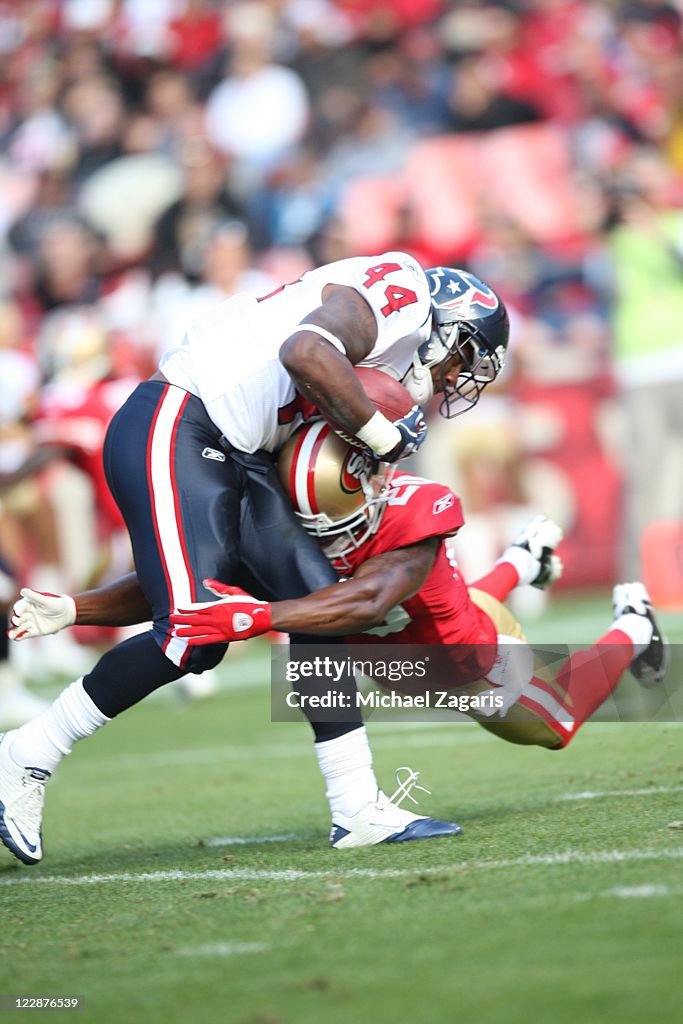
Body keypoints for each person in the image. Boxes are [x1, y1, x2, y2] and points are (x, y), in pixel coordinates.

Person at [0, 256, 510, 863]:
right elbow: (306, 351)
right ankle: (25, 756)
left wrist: (82, 607)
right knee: (192, 634)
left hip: (239, 450)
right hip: (182, 422)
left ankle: (357, 806)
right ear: (449, 325)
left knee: (317, 606)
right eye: (464, 359)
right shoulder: (403, 290)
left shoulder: (394, 342)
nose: (456, 379)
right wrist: (383, 435)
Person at [6, 424, 668, 859]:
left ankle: (632, 622)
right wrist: (78, 608)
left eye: (343, 524)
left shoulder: (415, 512)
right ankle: (523, 559)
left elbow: (366, 597)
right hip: (398, 656)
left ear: (374, 488)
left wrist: (253, 619)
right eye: (316, 530)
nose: (334, 542)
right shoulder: (299, 525)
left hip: (468, 664)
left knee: (552, 723)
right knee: (331, 623)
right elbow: (183, 582)